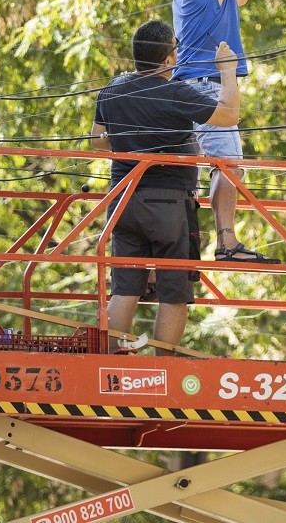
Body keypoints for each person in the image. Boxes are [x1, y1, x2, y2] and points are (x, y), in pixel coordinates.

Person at [91, 20, 239, 354]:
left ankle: (111, 361)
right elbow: (229, 116)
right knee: (175, 288)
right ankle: (162, 368)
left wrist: (134, 140)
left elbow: (96, 141)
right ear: (168, 60)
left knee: (125, 287)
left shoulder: (112, 90)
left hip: (123, 201)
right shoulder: (175, 92)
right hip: (170, 204)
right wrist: (227, 71)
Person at [172, 0, 286, 262]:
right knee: (229, 164)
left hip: (192, 89)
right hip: (208, 90)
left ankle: (224, 240)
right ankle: (227, 243)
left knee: (226, 164)